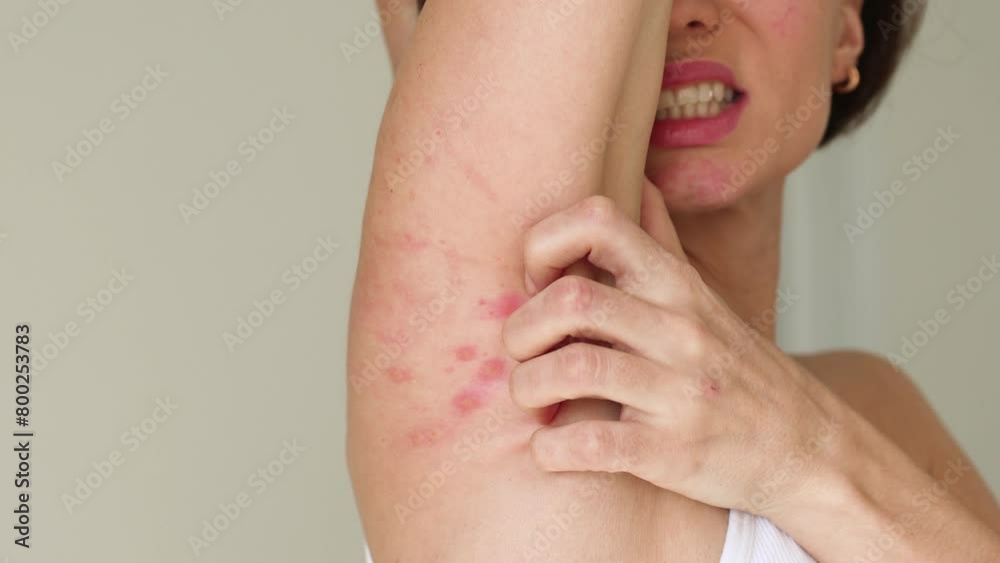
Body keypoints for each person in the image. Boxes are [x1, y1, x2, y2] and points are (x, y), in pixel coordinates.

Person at [347, 0, 1000, 561]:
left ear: (846, 32)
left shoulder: (874, 402)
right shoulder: (530, 393)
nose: (688, 13)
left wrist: (802, 452)